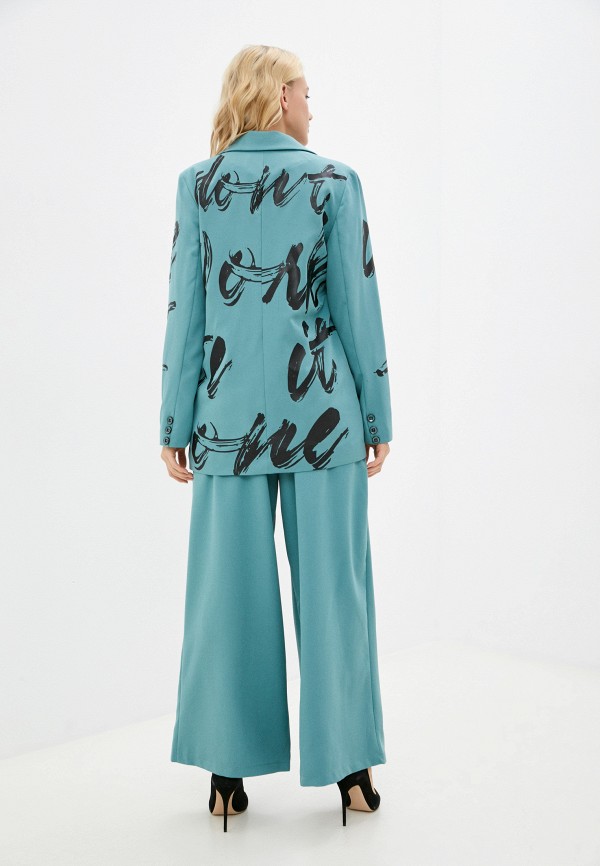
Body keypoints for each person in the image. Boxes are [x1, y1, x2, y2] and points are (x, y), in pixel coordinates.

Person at [159, 44, 393, 831]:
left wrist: (174, 421)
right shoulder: (334, 182)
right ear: (282, 96)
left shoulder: (199, 186)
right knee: (336, 594)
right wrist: (377, 416)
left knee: (226, 598)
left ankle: (226, 777)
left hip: (225, 420)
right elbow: (357, 306)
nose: (313, 109)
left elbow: (186, 311)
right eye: (307, 93)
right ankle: (351, 774)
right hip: (322, 418)